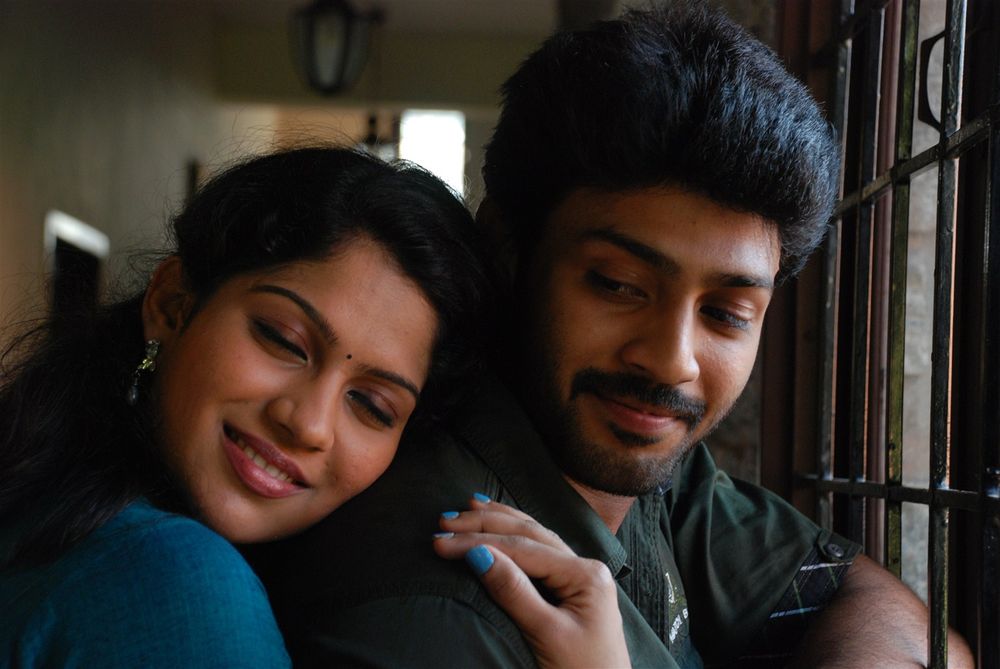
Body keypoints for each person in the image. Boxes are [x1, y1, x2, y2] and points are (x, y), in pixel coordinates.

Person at [259, 5, 974, 668]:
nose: (670, 359)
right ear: (506, 248)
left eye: (726, 312)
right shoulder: (440, 606)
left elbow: (889, 613)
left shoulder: (645, 470)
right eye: (619, 284)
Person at [0, 147, 505, 666]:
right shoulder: (179, 582)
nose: (309, 424)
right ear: (172, 305)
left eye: (373, 406)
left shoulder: (44, 504)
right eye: (282, 340)